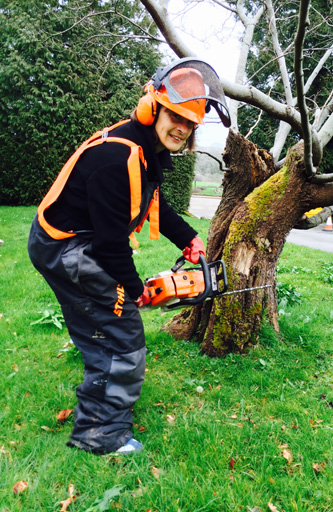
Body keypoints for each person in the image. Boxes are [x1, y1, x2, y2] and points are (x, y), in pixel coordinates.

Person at [28, 58, 230, 455]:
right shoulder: (117, 158)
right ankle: (100, 436)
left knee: (108, 324)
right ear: (152, 106)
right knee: (121, 336)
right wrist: (135, 290)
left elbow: (154, 201)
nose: (182, 128)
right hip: (67, 246)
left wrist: (188, 239)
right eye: (176, 116)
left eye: (190, 123)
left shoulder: (144, 149)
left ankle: (101, 392)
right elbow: (109, 246)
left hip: (69, 240)